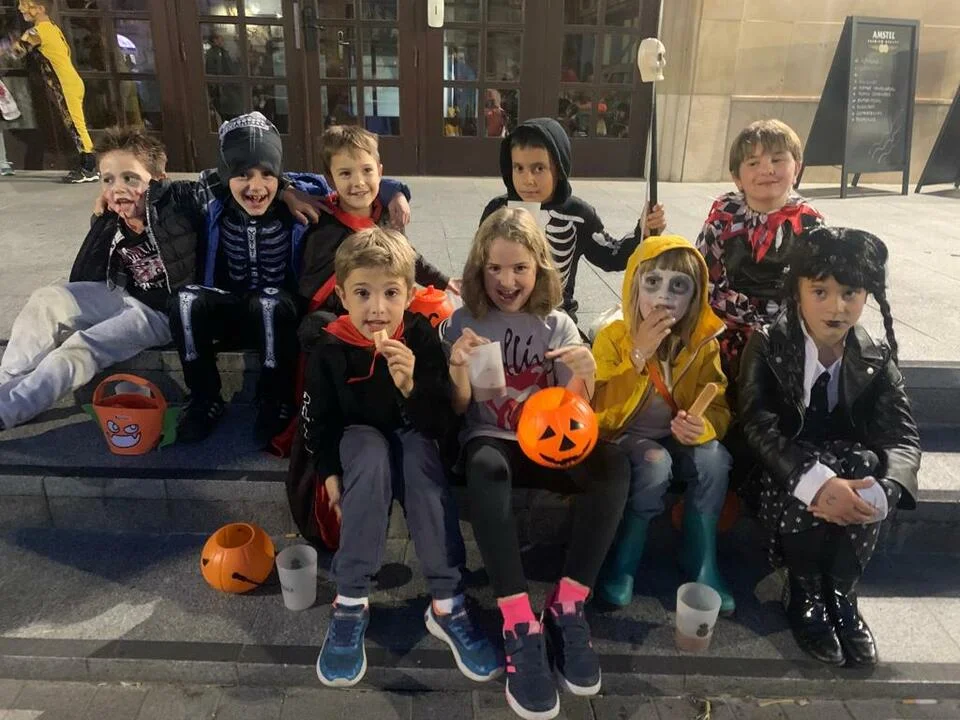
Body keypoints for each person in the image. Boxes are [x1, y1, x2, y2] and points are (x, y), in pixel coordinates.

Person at [443, 207, 630, 720]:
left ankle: (568, 603)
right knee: (485, 467)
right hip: (492, 440)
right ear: (479, 269)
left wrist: (586, 374)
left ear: (539, 268)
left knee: (613, 465)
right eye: (495, 269)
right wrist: (456, 367)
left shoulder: (558, 324)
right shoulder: (464, 321)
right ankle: (518, 619)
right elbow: (458, 409)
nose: (507, 281)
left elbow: (575, 413)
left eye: (519, 268)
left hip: (549, 441)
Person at [301, 227, 501, 688]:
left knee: (420, 460)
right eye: (363, 293)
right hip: (357, 438)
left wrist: (412, 386)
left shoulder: (419, 336)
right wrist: (328, 474)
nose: (377, 308)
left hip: (413, 430)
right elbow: (320, 422)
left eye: (391, 293)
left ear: (410, 295)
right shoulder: (329, 348)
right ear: (342, 296)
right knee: (370, 452)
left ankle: (447, 602)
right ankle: (351, 599)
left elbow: (440, 424)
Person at [165, 113, 412, 446]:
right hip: (228, 304)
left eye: (268, 175)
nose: (255, 187)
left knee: (269, 301)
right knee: (185, 299)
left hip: (279, 315)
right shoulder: (211, 198)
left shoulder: (306, 196)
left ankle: (274, 399)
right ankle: (203, 398)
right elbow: (165, 187)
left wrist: (396, 192)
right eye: (242, 174)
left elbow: (356, 177)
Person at [738, 227, 920, 666]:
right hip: (780, 476)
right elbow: (758, 426)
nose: (836, 307)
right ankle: (804, 590)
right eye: (820, 291)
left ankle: (841, 592)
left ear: (866, 295)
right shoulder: (767, 344)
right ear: (797, 291)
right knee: (819, 463)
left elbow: (902, 436)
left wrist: (884, 490)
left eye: (850, 293)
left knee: (865, 466)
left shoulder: (874, 355)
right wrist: (818, 484)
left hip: (847, 472)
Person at [0, 128, 202, 430]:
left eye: (130, 178)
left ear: (158, 180)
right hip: (122, 293)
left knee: (82, 346)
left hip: (162, 313)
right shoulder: (113, 217)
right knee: (46, 299)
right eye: (108, 179)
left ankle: (9, 409)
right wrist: (99, 223)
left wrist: (281, 188)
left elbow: (216, 188)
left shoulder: (178, 206)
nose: (117, 188)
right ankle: (5, 385)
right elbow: (89, 269)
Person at [591, 235, 735, 614]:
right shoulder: (613, 338)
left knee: (715, 459)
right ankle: (625, 558)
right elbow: (599, 412)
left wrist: (701, 426)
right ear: (634, 286)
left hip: (676, 436)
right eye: (652, 282)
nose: (664, 296)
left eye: (679, 286)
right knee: (655, 462)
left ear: (695, 295)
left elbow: (718, 404)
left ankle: (701, 558)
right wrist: (637, 356)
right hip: (628, 437)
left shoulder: (702, 343)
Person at [480, 117, 666, 324]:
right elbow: (480, 265)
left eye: (539, 168)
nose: (527, 180)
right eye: (519, 168)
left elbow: (612, 256)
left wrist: (642, 231)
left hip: (557, 319)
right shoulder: (497, 211)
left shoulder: (579, 215)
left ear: (559, 168)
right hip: (501, 317)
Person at [695, 119, 823, 388]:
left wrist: (778, 325)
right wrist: (748, 320)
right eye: (753, 163)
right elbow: (704, 277)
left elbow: (819, 287)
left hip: (788, 328)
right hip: (729, 323)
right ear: (737, 178)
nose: (767, 170)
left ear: (797, 169)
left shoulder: (808, 223)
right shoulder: (724, 217)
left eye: (777, 160)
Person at [298, 124, 454, 336]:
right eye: (346, 173)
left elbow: (406, 256)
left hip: (383, 307)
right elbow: (312, 290)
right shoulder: (321, 224)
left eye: (367, 171)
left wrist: (444, 282)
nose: (359, 182)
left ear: (379, 172)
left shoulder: (387, 215)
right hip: (340, 316)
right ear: (331, 180)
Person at [7, 1, 96, 183]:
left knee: (76, 126)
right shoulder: (52, 28)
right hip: (70, 81)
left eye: (26, 4)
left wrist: (9, 43)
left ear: (40, 9)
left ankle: (89, 168)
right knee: (76, 125)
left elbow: (15, 53)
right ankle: (86, 165)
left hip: (65, 84)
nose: (21, 8)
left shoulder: (36, 32)